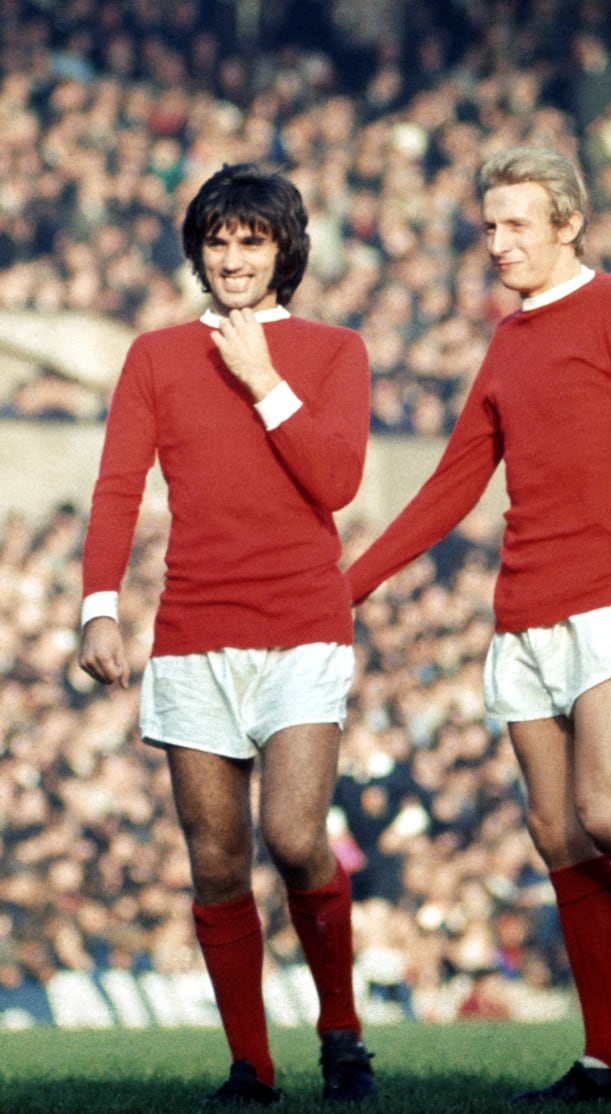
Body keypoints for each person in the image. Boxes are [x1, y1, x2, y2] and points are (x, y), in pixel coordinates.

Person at [346, 146, 611, 1104]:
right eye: (489, 226)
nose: (499, 242)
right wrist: (347, 585)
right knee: (557, 834)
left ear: (568, 223)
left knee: (607, 812)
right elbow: (453, 483)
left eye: (517, 224)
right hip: (522, 609)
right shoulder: (507, 342)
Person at [78, 163, 376, 1107]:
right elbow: (119, 486)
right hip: (194, 629)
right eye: (218, 240)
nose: (234, 256)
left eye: (252, 239)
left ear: (286, 248)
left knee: (293, 837)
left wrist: (262, 382)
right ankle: (252, 1065)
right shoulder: (157, 356)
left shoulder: (334, 350)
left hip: (300, 626)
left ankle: (342, 1037)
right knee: (215, 860)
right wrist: (97, 605)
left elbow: (336, 482)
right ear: (198, 251)